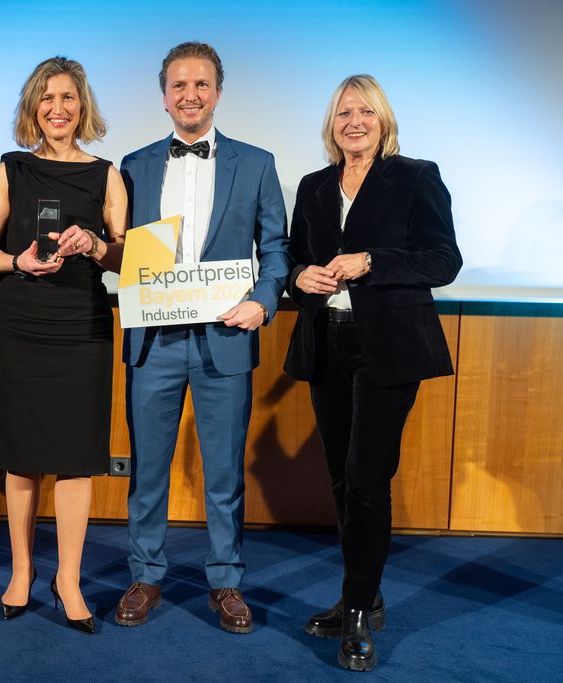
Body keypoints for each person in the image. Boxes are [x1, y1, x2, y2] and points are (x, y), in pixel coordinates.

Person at [283, 74, 461, 671]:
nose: (353, 121)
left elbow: (444, 260)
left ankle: (357, 614)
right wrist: (297, 277)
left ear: (383, 120)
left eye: (364, 111)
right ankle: (363, 593)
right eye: (342, 113)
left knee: (366, 477)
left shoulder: (415, 176)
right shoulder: (312, 186)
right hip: (327, 342)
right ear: (331, 125)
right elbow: (293, 255)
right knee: (340, 477)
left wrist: (370, 262)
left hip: (388, 345)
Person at [115, 41, 289, 634]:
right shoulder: (132, 166)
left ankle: (226, 582)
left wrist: (263, 304)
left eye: (202, 85)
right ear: (163, 95)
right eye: (179, 86)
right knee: (148, 468)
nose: (190, 95)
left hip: (226, 338)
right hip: (153, 343)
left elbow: (276, 252)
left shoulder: (258, 163)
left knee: (223, 473)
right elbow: (121, 251)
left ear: (218, 92)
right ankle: (145, 575)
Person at [0, 56, 126, 635]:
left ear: (82, 106)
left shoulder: (107, 174)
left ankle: (68, 579)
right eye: (46, 98)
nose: (57, 109)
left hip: (80, 327)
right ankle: (21, 572)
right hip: (19, 324)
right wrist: (16, 261)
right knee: (21, 456)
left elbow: (123, 255)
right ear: (32, 108)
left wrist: (92, 246)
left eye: (67, 98)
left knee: (76, 457)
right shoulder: (11, 169)